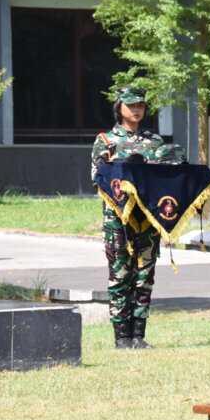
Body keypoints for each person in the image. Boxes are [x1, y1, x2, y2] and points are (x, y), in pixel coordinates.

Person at [90, 87, 165, 349]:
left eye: (141, 106)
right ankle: (121, 337)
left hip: (147, 220)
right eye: (131, 105)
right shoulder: (106, 141)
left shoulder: (155, 142)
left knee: (145, 276)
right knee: (120, 275)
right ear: (119, 107)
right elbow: (97, 179)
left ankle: (138, 336)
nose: (137, 110)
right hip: (118, 222)